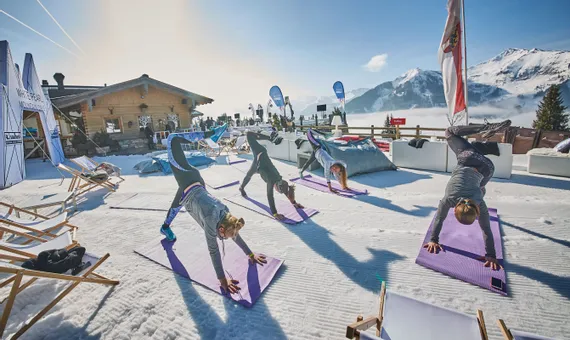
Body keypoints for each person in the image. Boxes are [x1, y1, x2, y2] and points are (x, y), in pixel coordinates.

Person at [160, 132, 267, 294]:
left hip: (194, 185)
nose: (228, 238)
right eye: (226, 236)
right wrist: (223, 280)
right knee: (172, 139)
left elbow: (235, 232)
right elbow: (214, 251)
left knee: (175, 207)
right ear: (221, 230)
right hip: (188, 180)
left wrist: (250, 254)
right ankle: (210, 135)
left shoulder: (228, 215)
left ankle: (165, 227)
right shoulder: (212, 222)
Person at [423, 119, 512, 271]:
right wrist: (433, 239)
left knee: (480, 187)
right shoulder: (449, 200)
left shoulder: (480, 203)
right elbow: (439, 218)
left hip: (487, 167)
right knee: (449, 132)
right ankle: (486, 128)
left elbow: (486, 229)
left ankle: (486, 128)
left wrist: (491, 255)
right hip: (468, 158)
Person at [239, 131, 303, 220]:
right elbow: (270, 196)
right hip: (259, 153)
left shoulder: (281, 182)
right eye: (277, 190)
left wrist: (294, 203)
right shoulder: (271, 180)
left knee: (249, 174)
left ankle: (241, 188)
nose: (275, 190)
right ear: (277, 187)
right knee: (249, 134)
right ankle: (270, 138)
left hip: (260, 163)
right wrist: (275, 214)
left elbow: (287, 192)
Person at [299, 128, 349, 194]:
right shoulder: (328, 163)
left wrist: (343, 186)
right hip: (317, 147)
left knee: (309, 162)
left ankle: (301, 172)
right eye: (335, 168)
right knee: (309, 131)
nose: (334, 169)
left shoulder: (334, 168)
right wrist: (330, 189)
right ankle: (324, 134)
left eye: (336, 170)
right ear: (336, 164)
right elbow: (326, 175)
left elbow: (337, 176)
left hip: (317, 154)